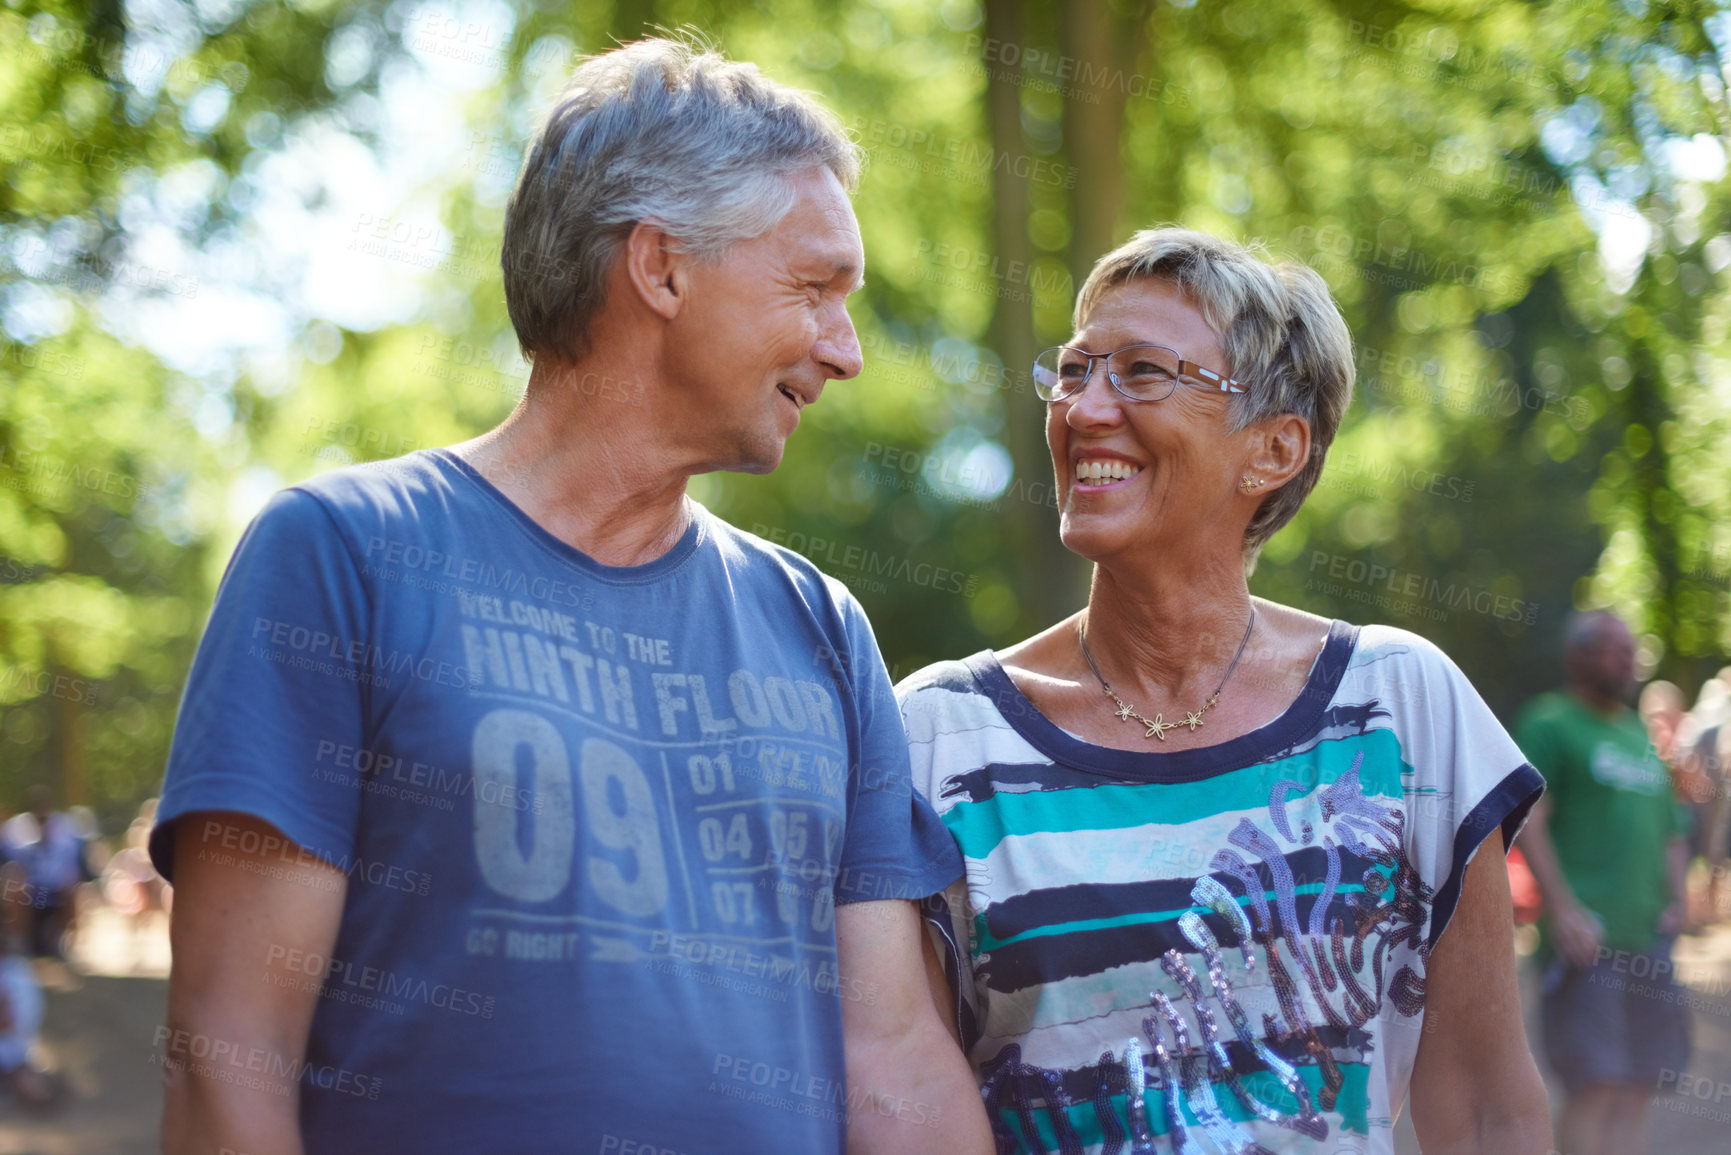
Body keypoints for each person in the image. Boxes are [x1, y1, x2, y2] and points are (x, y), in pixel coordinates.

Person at [150, 38, 989, 1155]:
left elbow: (897, 1061)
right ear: (662, 268)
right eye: (813, 288)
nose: (845, 350)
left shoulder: (820, 624)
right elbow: (228, 1051)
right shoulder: (341, 556)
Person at [898, 228, 1552, 1152]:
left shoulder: (1403, 708)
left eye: (1141, 372)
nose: (1083, 408)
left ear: (1274, 449)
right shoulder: (938, 738)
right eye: (1075, 370)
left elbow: (1486, 1104)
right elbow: (903, 1091)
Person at [1514, 611, 1690, 1155]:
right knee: (1596, 1085)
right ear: (1579, 655)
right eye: (1612, 648)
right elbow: (1528, 817)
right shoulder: (1550, 722)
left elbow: (1670, 831)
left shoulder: (1638, 731)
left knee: (1639, 1084)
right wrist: (1563, 909)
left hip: (1649, 940)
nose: (1627, 658)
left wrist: (1680, 899)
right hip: (1587, 944)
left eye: (1630, 648)